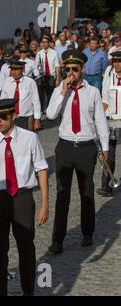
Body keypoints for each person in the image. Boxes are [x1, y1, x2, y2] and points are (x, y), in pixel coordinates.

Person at [0, 98, 49, 296]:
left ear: (14, 116)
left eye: (3, 117)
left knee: (26, 248)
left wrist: (45, 204)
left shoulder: (29, 139)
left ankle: (28, 291)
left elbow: (42, 169)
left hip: (22, 198)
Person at [46, 49, 110, 255]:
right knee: (62, 194)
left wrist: (106, 148)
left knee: (86, 192)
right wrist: (62, 91)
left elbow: (100, 121)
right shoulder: (60, 90)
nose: (71, 73)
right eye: (67, 69)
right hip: (65, 146)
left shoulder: (93, 92)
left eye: (75, 69)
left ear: (82, 69)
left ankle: (87, 232)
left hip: (86, 147)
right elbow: (50, 114)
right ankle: (57, 239)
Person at [97, 51, 121, 197]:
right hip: (111, 120)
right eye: (115, 62)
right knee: (109, 154)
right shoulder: (109, 77)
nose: (117, 64)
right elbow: (104, 100)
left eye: (119, 61)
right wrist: (100, 120)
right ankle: (106, 185)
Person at [1, 60, 42, 131]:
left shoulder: (30, 82)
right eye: (12, 70)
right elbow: (3, 100)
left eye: (17, 70)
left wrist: (37, 119)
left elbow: (36, 101)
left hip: (26, 118)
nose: (14, 72)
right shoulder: (7, 82)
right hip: (11, 117)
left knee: (27, 139)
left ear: (22, 69)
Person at [36, 35, 61, 111]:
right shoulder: (39, 53)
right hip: (41, 76)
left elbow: (57, 66)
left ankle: (49, 109)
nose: (44, 44)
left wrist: (57, 78)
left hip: (50, 76)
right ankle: (41, 110)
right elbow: (36, 66)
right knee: (41, 94)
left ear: (49, 43)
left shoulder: (54, 53)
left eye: (45, 42)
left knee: (50, 94)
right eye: (42, 42)